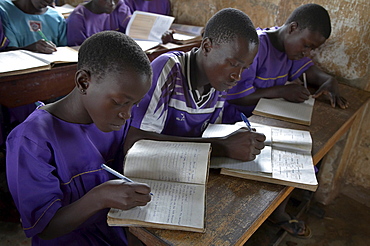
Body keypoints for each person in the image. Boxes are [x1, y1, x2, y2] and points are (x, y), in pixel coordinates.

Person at [6, 31, 153, 245]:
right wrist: (99, 198)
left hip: (117, 234)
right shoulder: (31, 140)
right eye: (120, 102)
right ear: (84, 82)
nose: (128, 114)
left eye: (135, 103)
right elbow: (45, 228)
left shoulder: (117, 121)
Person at [126, 8, 265, 162]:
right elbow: (136, 142)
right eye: (233, 64)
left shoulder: (219, 82)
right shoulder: (170, 68)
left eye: (244, 68)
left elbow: (207, 136)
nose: (237, 76)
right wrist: (221, 146)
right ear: (206, 47)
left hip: (187, 168)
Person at [223, 3, 348, 124]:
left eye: (312, 49)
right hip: (237, 121)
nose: (307, 53)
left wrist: (330, 81)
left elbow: (313, 74)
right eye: (306, 45)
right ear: (293, 28)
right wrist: (282, 91)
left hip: (267, 118)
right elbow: (236, 97)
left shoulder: (291, 50)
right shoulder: (254, 47)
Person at [0, 0, 67, 54]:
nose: (49, 1)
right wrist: (32, 48)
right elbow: (6, 51)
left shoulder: (56, 17)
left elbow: (64, 50)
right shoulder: (4, 10)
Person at [66, 0, 131, 46]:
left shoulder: (119, 7)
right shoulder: (78, 17)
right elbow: (77, 50)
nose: (112, 3)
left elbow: (134, 32)